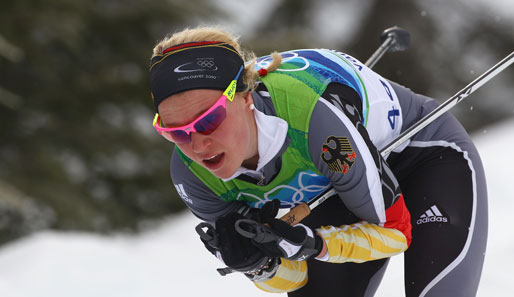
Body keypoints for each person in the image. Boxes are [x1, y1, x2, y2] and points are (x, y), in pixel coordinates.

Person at [148, 26, 488, 297]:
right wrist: (260, 264)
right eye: (176, 132)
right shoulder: (193, 176)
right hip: (333, 189)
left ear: (246, 98)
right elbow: (294, 277)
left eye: (209, 120)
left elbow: (395, 232)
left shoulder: (315, 124)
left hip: (424, 155)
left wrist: (316, 243)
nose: (198, 144)